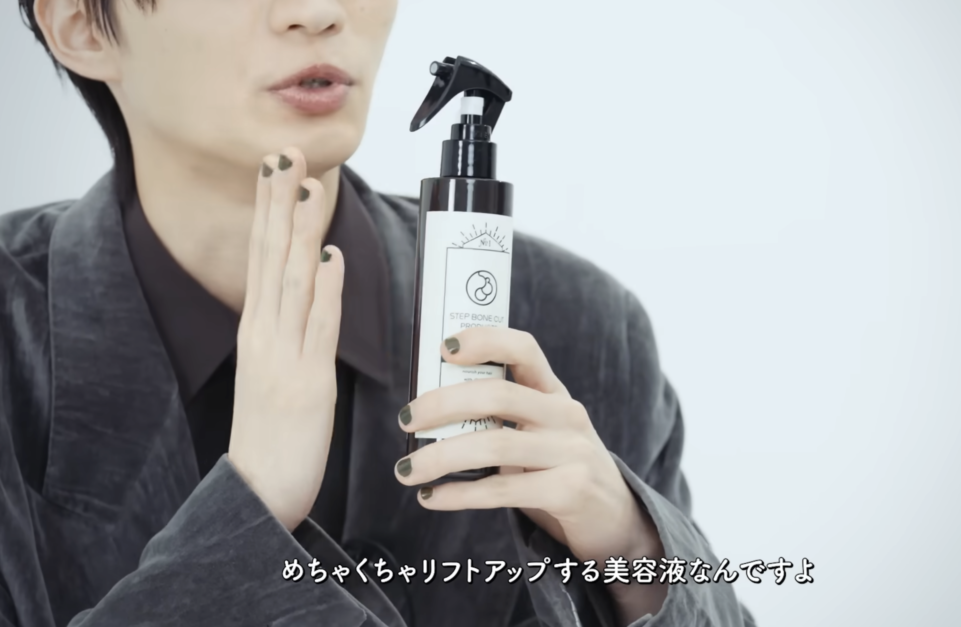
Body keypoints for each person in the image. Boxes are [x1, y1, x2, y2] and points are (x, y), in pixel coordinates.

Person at [0, 0, 756, 625]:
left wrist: (635, 552)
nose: (319, 12)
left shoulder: (582, 328)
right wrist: (247, 512)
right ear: (82, 24)